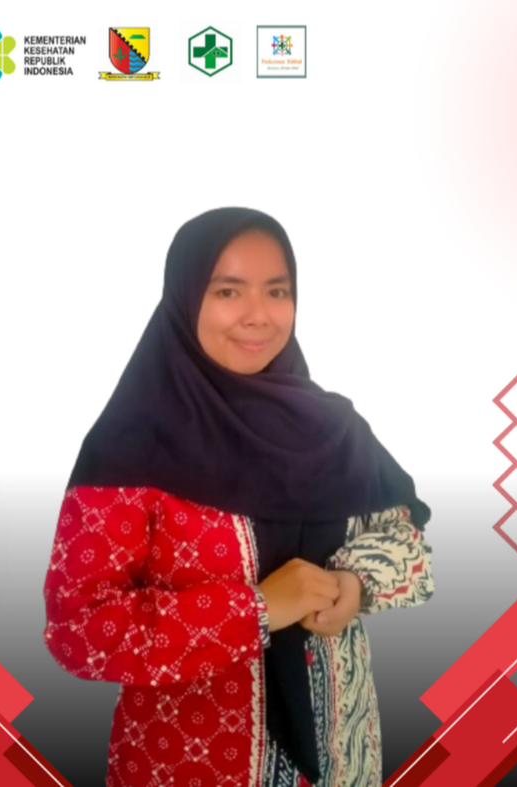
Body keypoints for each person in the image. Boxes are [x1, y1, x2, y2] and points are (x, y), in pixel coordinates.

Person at [43, 207, 434, 787]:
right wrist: (257, 609)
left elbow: (409, 542)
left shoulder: (336, 428)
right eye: (228, 291)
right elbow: (79, 631)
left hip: (344, 760)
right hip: (189, 767)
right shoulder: (133, 446)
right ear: (185, 298)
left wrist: (355, 583)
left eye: (277, 291)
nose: (258, 315)